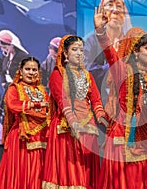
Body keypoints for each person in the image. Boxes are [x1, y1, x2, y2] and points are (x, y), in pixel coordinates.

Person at [94, 6, 147, 188]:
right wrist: (101, 32)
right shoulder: (123, 72)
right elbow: (110, 54)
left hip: (146, 139)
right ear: (135, 50)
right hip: (123, 139)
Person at [42, 35, 107, 189]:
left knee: (87, 175)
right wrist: (73, 122)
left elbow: (96, 100)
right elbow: (62, 100)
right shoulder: (58, 74)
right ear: (65, 53)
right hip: (66, 130)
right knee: (69, 175)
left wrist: (101, 116)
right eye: (75, 50)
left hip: (88, 130)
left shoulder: (88, 75)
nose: (79, 53)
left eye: (82, 50)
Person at [0, 56, 49, 189]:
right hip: (22, 137)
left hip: (42, 136)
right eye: (28, 69)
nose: (31, 72)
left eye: (34, 70)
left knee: (39, 172)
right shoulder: (14, 88)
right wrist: (37, 105)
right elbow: (13, 105)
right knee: (21, 173)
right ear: (21, 71)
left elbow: (49, 109)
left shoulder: (42, 90)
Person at [84, 0, 132, 104]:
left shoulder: (129, 43)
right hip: (99, 103)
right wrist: (112, 63)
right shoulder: (91, 41)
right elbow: (86, 71)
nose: (115, 10)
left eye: (119, 6)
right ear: (102, 10)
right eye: (110, 4)